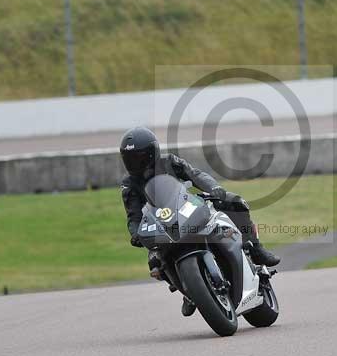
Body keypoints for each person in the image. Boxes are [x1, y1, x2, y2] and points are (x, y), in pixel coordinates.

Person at [119, 126, 280, 317]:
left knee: (236, 203)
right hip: (161, 223)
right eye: (130, 159)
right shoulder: (129, 184)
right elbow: (133, 215)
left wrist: (214, 188)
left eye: (140, 157)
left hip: (185, 207)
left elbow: (195, 175)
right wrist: (135, 233)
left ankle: (255, 247)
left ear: (153, 152)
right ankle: (188, 292)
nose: (136, 163)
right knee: (154, 261)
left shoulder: (170, 162)